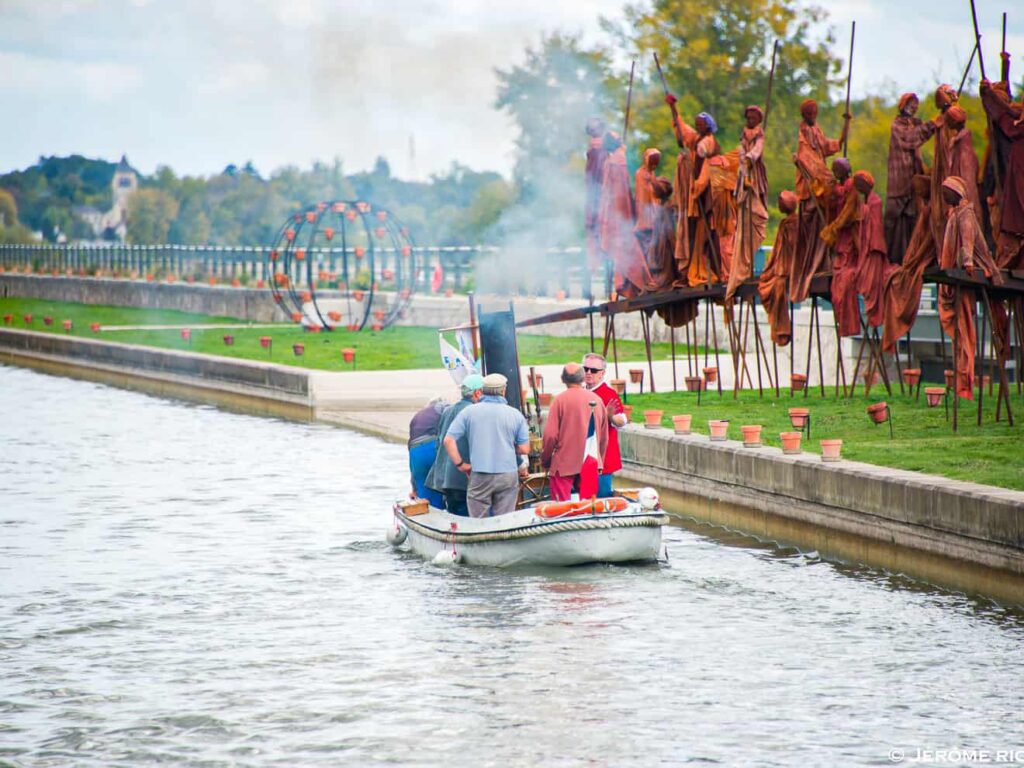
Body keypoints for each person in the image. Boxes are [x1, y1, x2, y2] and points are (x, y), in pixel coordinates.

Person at [936, 176, 1004, 400]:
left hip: (965, 276)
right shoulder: (953, 214)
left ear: (957, 193)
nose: (944, 195)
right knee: (958, 331)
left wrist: (967, 262)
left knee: (965, 331)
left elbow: (968, 242)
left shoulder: (965, 214)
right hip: (951, 279)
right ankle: (960, 382)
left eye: (947, 191)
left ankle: (965, 385)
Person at [443, 373, 530, 518]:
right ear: (503, 391)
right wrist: (507, 445)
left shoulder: (469, 412)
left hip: (480, 474)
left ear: (482, 390)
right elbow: (524, 449)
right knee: (504, 520)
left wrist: (461, 465)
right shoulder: (515, 415)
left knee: (478, 521)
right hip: (507, 475)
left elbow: (448, 440)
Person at [791, 98, 850, 302]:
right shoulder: (803, 137)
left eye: (814, 112)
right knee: (812, 223)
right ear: (804, 114)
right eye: (809, 113)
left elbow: (827, 146)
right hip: (810, 188)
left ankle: (825, 260)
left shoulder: (817, 130)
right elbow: (808, 160)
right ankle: (812, 263)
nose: (812, 116)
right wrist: (823, 177)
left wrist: (845, 129)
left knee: (826, 219)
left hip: (821, 185)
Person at [541, 363, 609, 501]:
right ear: (583, 378)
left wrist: (546, 461)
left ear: (562, 379)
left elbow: (550, 436)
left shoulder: (559, 401)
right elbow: (603, 437)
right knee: (589, 507)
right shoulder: (597, 400)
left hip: (564, 463)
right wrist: (599, 462)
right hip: (591, 460)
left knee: (561, 508)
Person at [884, 93, 936, 265]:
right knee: (893, 218)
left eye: (916, 104)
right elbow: (910, 139)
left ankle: (912, 255)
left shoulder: (913, 125)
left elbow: (916, 140)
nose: (914, 107)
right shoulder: (897, 126)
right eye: (911, 103)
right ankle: (889, 257)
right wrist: (932, 125)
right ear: (903, 104)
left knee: (912, 218)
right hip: (899, 182)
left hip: (912, 183)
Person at [980, 78, 1024, 269]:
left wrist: (989, 96)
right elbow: (1005, 112)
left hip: (1013, 189)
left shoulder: (1016, 130)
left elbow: (1005, 116)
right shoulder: (1008, 129)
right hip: (1004, 189)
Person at [426, 373, 484, 517]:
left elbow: (439, 443)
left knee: (455, 518)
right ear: (477, 393)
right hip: (462, 478)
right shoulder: (474, 412)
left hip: (444, 478)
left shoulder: (448, 411)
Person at [729, 104, 769, 303]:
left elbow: (757, 150)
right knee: (744, 218)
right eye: (749, 117)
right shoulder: (744, 134)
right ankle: (742, 264)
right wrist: (744, 161)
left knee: (759, 215)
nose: (750, 120)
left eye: (754, 117)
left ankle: (749, 257)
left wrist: (751, 158)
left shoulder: (759, 134)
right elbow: (741, 153)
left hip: (754, 175)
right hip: (744, 174)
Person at [820, 158, 861, 337]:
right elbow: (831, 201)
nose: (835, 173)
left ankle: (849, 324)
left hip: (848, 235)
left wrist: (833, 228)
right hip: (840, 238)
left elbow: (847, 213)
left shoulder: (852, 187)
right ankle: (841, 321)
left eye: (837, 170)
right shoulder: (839, 187)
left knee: (845, 282)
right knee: (837, 288)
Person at [758, 190, 799, 346]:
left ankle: (781, 327)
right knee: (767, 281)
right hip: (781, 265)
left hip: (787, 267)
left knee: (774, 285)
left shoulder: (792, 224)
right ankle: (779, 326)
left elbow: (794, 248)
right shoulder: (786, 223)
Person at [582, 352, 625, 498]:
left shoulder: (609, 394)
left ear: (602, 373)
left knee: (602, 500)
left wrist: (610, 416)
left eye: (593, 370)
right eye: (585, 369)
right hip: (582, 458)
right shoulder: (580, 392)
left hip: (603, 458)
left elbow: (622, 421)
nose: (588, 373)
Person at [852, 170, 890, 331]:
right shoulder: (865, 202)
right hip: (865, 249)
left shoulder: (874, 202)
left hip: (873, 248)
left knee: (872, 282)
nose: (858, 189)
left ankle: (875, 314)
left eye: (860, 186)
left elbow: (875, 226)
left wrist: (870, 246)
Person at [407, 396, 448, 508]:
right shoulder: (443, 406)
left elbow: (412, 468)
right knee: (441, 485)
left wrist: (414, 489)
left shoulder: (417, 416)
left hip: (415, 452)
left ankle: (426, 515)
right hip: (433, 446)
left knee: (424, 493)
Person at [584, 117, 608, 279]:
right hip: (596, 193)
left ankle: (597, 263)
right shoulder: (598, 147)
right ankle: (595, 264)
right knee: (595, 230)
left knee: (596, 228)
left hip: (600, 193)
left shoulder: (599, 148)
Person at [634, 148, 663, 256]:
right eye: (652, 162)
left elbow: (654, 192)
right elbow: (642, 197)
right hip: (645, 215)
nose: (654, 166)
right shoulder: (640, 174)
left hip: (653, 211)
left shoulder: (651, 173)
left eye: (656, 163)